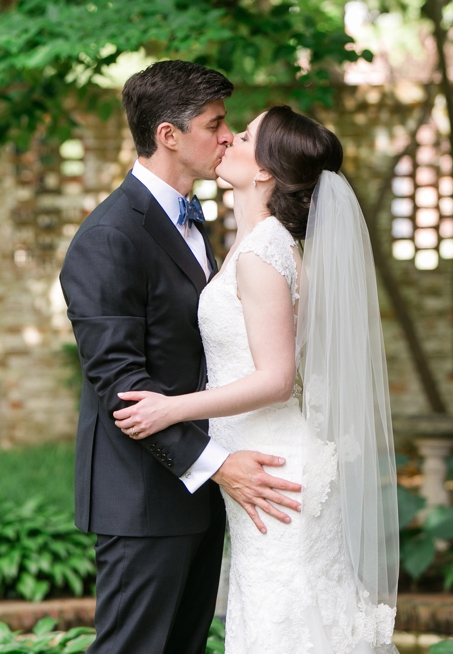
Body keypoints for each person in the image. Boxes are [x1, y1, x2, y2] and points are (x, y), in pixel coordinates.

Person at [113, 106, 401, 654]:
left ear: (265, 170)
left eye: (243, 135)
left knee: (283, 623)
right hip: (260, 458)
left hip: (273, 468)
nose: (227, 139)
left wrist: (173, 408)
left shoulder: (263, 254)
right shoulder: (258, 247)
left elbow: (275, 378)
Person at [59, 61, 304, 654]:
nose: (227, 136)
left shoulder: (202, 224)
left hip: (203, 493)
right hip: (143, 495)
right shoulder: (110, 238)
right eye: (215, 123)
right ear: (169, 135)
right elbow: (121, 386)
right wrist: (219, 464)